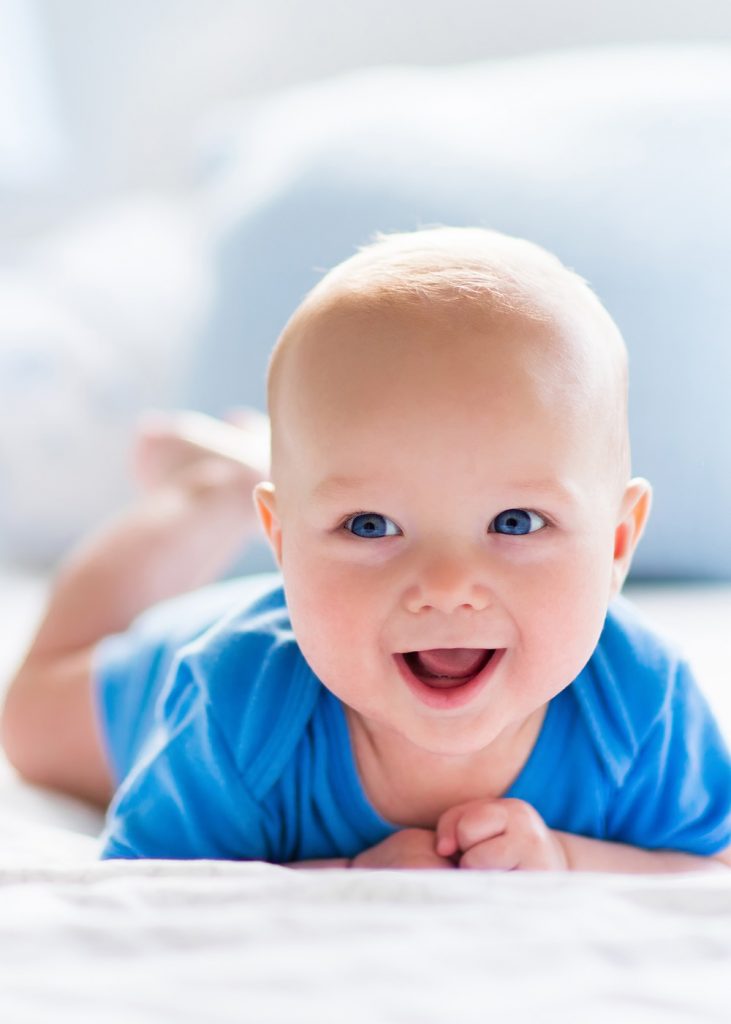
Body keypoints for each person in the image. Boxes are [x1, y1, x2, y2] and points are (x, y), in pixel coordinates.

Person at [2, 227, 731, 872]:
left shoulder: (641, 703)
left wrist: (566, 857)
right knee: (28, 722)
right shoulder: (235, 703)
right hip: (164, 672)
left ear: (615, 544)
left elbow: (708, 865)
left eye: (514, 522)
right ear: (282, 541)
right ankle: (211, 493)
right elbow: (152, 889)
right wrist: (349, 874)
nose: (446, 586)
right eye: (370, 525)